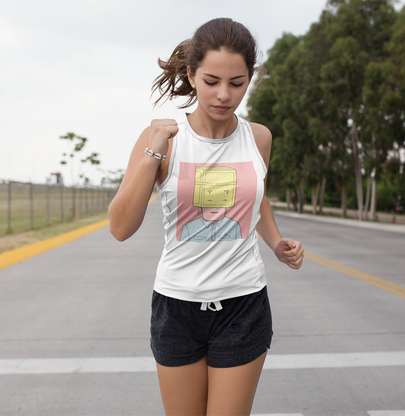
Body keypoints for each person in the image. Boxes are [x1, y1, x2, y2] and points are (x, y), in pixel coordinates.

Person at [108, 17, 304, 416]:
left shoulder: (259, 137)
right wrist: (154, 154)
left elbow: (255, 194)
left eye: (237, 83)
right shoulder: (162, 138)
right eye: (212, 80)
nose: (224, 95)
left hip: (243, 304)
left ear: (250, 78)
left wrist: (276, 242)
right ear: (191, 74)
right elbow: (120, 228)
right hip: (176, 307)